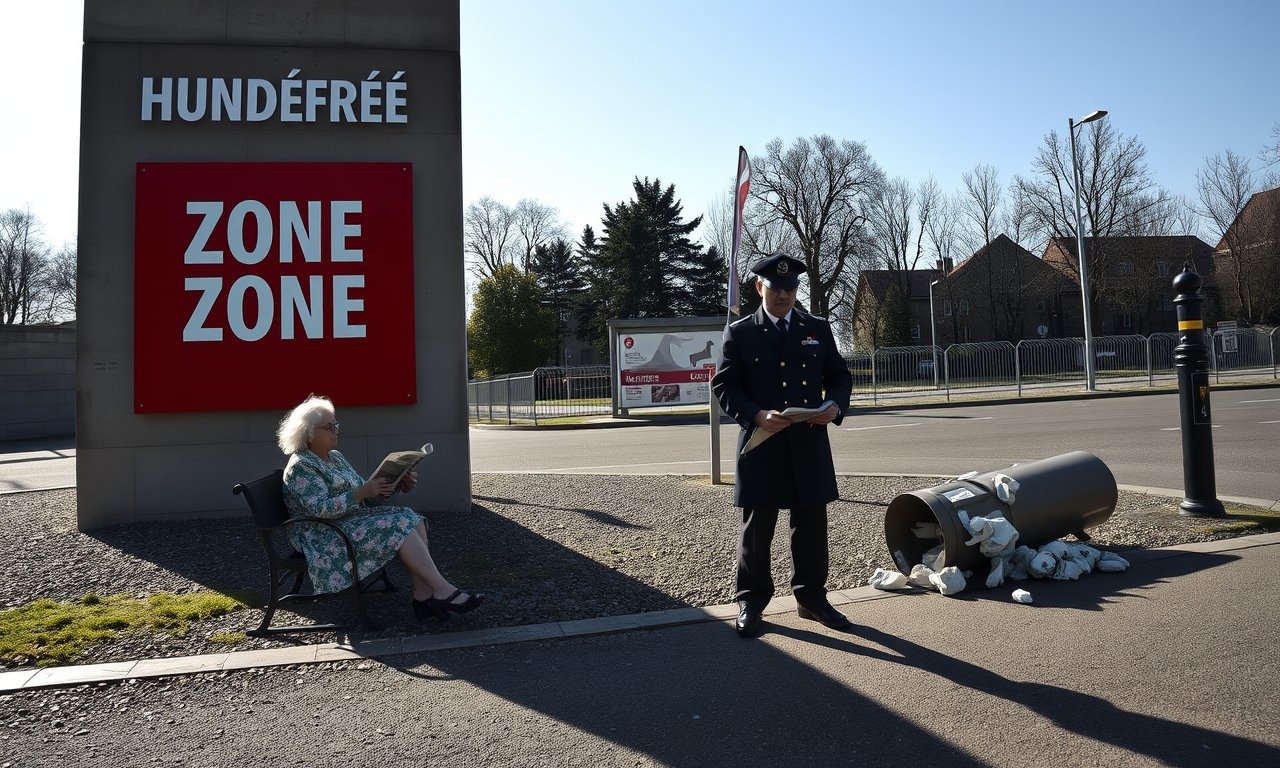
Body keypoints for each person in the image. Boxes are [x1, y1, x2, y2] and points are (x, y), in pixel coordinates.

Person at [711, 253, 854, 638]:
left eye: (791, 289)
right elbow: (724, 387)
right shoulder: (740, 333)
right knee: (757, 531)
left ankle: (811, 598)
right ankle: (752, 601)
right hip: (763, 445)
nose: (784, 296)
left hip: (808, 444)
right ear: (761, 288)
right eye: (776, 289)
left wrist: (834, 405)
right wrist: (756, 415)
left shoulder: (817, 328)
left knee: (810, 526)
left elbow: (840, 376)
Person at [276, 395, 484, 623]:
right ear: (308, 433)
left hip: (345, 522)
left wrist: (393, 485)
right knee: (400, 524)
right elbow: (321, 509)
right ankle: (442, 591)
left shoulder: (334, 457)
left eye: (336, 424)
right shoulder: (301, 466)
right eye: (329, 427)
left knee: (411, 517)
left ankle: (423, 594)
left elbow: (365, 498)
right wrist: (362, 493)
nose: (336, 431)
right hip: (322, 535)